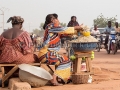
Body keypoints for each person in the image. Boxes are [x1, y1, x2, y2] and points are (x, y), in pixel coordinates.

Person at [38, 14, 83, 86]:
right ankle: (54, 79)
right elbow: (64, 29)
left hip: (50, 53)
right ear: (53, 20)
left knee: (65, 59)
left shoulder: (55, 31)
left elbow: (65, 33)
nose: (59, 21)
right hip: (45, 54)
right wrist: (77, 27)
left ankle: (61, 78)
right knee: (65, 60)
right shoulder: (50, 26)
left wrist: (77, 31)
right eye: (57, 19)